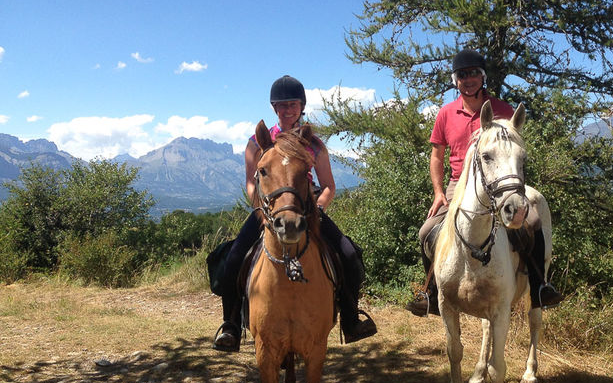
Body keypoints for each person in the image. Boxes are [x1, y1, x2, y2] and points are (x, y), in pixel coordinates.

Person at [213, 75, 377, 351]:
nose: (287, 110)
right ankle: (230, 325)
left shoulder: (313, 144)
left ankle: (350, 318)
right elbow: (252, 183)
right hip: (268, 209)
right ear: (273, 108)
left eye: (292, 104)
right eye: (281, 105)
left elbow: (328, 186)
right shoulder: (258, 142)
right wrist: (262, 211)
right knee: (232, 260)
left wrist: (318, 209)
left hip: (307, 209)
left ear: (301, 106)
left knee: (348, 255)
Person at [405, 49, 562, 316]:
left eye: (474, 73)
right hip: (460, 184)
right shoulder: (445, 114)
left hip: (501, 182)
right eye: (462, 75)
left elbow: (514, 152)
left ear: (483, 77)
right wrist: (438, 192)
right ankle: (431, 292)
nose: (469, 79)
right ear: (456, 80)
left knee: (533, 223)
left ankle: (539, 288)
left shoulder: (503, 110)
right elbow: (436, 156)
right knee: (426, 232)